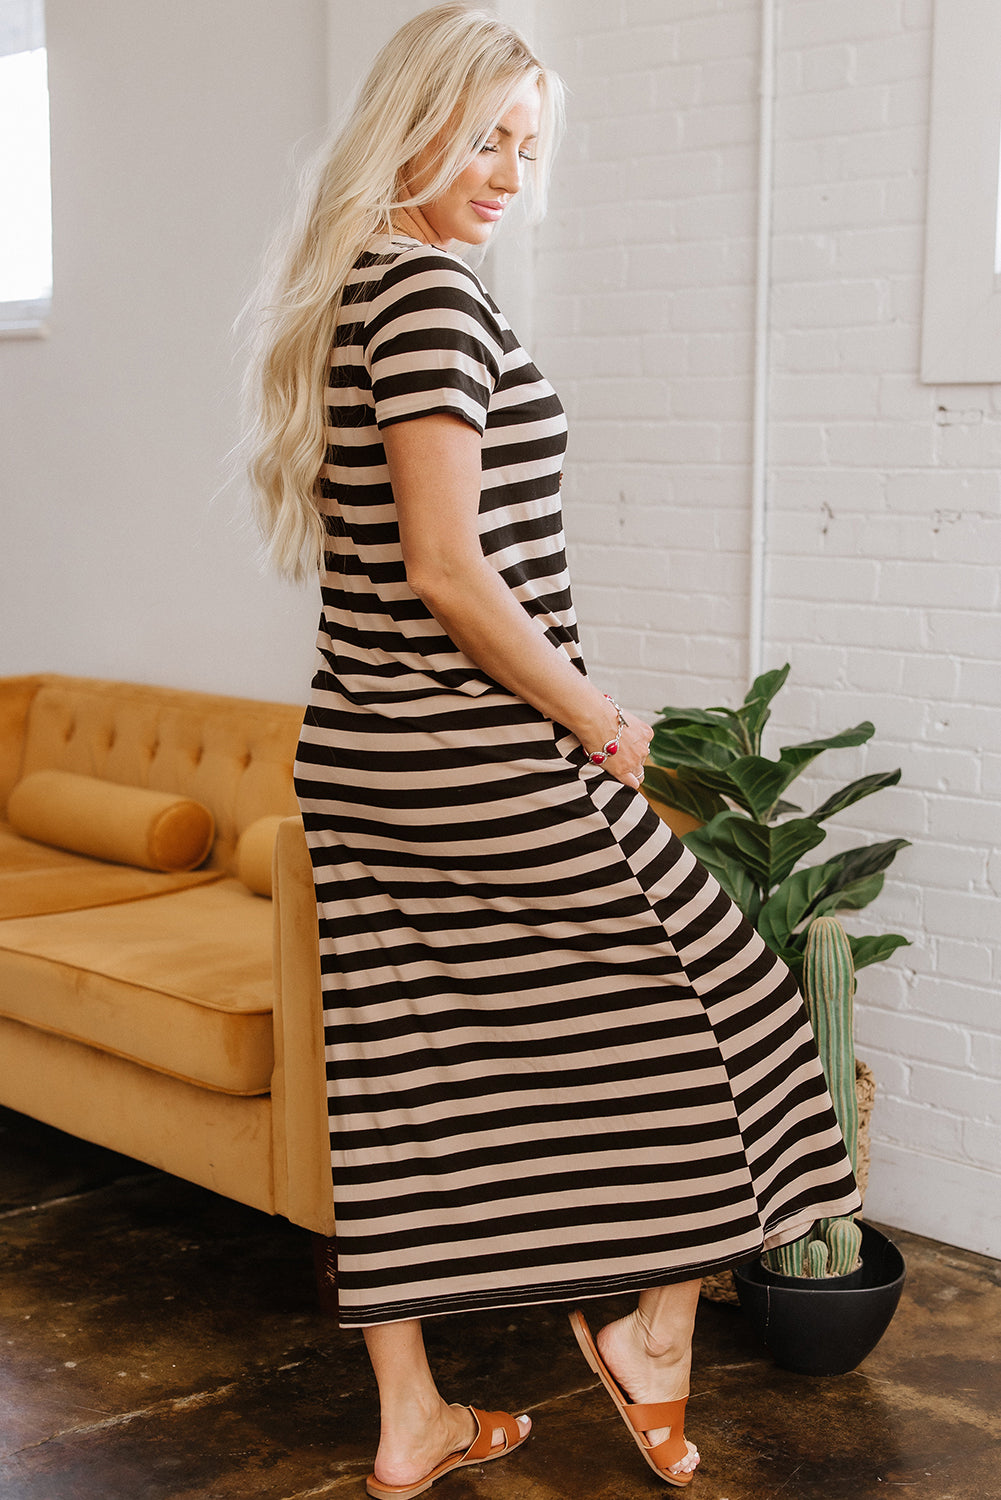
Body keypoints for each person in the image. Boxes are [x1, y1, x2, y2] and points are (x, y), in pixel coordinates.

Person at [245, 5, 861, 1495]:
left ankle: (412, 1418)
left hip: (362, 752)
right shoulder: (431, 298)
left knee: (397, 1074)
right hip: (472, 750)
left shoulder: (360, 284)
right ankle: (652, 1331)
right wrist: (596, 718)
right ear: (416, 123)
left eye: (529, 149)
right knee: (739, 997)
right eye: (487, 139)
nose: (510, 176)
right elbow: (450, 568)